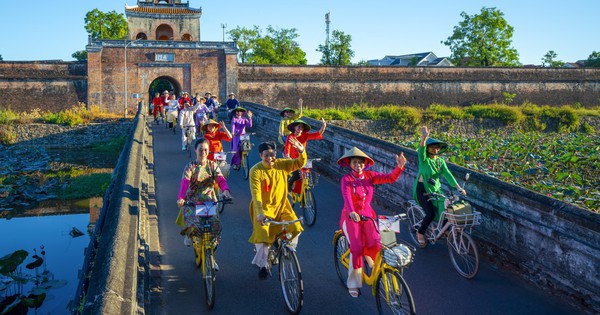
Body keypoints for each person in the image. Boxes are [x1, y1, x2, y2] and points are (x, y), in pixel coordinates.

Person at [338, 146, 407, 298]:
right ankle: (354, 283)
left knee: (376, 243)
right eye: (355, 162)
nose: (358, 165)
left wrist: (399, 167)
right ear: (350, 164)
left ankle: (379, 273)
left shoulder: (370, 176)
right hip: (351, 217)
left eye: (361, 162)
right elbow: (347, 197)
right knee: (356, 248)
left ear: (365, 163)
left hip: (368, 216)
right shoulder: (346, 179)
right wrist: (352, 212)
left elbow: (389, 178)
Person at [248, 139, 307, 279]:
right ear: (260, 156)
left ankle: (287, 249)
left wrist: (301, 151)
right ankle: (263, 266)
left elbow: (299, 163)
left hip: (282, 205)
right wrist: (260, 213)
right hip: (263, 209)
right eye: (266, 155)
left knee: (295, 226)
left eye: (272, 154)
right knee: (263, 236)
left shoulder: (281, 164)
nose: (270, 158)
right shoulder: (255, 171)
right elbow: (256, 194)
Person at [413, 126, 465, 248]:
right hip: (423, 190)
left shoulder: (440, 161)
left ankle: (443, 228)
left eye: (437, 148)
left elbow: (448, 174)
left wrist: (458, 187)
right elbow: (420, 150)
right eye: (432, 147)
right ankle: (420, 233)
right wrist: (424, 137)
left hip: (436, 190)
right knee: (430, 214)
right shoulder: (424, 160)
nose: (435, 150)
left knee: (446, 209)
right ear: (428, 148)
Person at [176, 139, 233, 248]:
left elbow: (220, 179)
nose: (203, 152)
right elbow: (185, 182)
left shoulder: (213, 166)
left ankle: (210, 257)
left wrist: (225, 190)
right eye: (200, 150)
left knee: (215, 227)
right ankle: (189, 235)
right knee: (192, 224)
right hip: (193, 200)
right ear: (195, 150)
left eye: (206, 150)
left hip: (209, 200)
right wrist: (181, 197)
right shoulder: (190, 167)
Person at [283, 118, 326, 192]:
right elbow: (287, 149)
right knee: (297, 174)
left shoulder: (305, 135)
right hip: (293, 160)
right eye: (298, 126)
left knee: (307, 175)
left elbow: (317, 134)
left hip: (302, 159)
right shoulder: (290, 137)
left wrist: (323, 126)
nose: (300, 129)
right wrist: (288, 158)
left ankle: (303, 192)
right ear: (294, 127)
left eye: (302, 127)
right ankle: (290, 182)